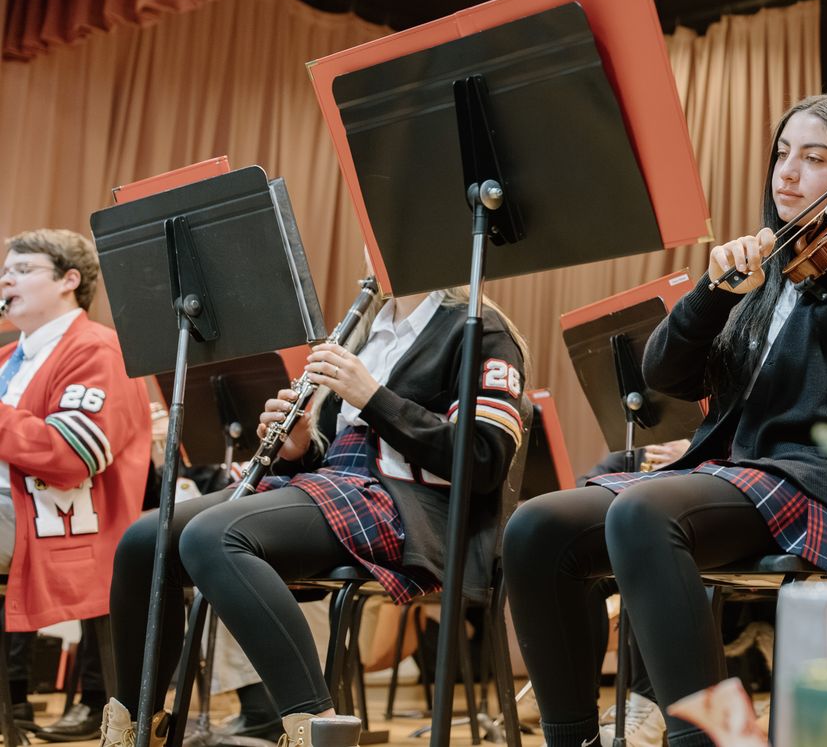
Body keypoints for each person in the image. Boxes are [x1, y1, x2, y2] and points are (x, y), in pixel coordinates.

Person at [505, 94, 827, 747]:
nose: (786, 173)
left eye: (814, 157)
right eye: (782, 154)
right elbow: (666, 375)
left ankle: (713, 739)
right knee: (535, 527)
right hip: (742, 474)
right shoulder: (771, 266)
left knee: (644, 512)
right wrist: (713, 294)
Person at [96, 283, 527, 747]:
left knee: (212, 536)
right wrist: (297, 449)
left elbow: (484, 460)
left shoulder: (479, 329)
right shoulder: (365, 331)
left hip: (409, 506)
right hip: (336, 487)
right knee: (145, 539)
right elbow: (327, 458)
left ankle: (318, 730)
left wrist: (372, 396)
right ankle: (136, 731)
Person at [0, 230, 151, 734]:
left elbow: (71, 455)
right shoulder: (9, 357)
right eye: (6, 268)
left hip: (52, 517)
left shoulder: (98, 350)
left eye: (23, 269)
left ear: (70, 280)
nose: (7, 277)